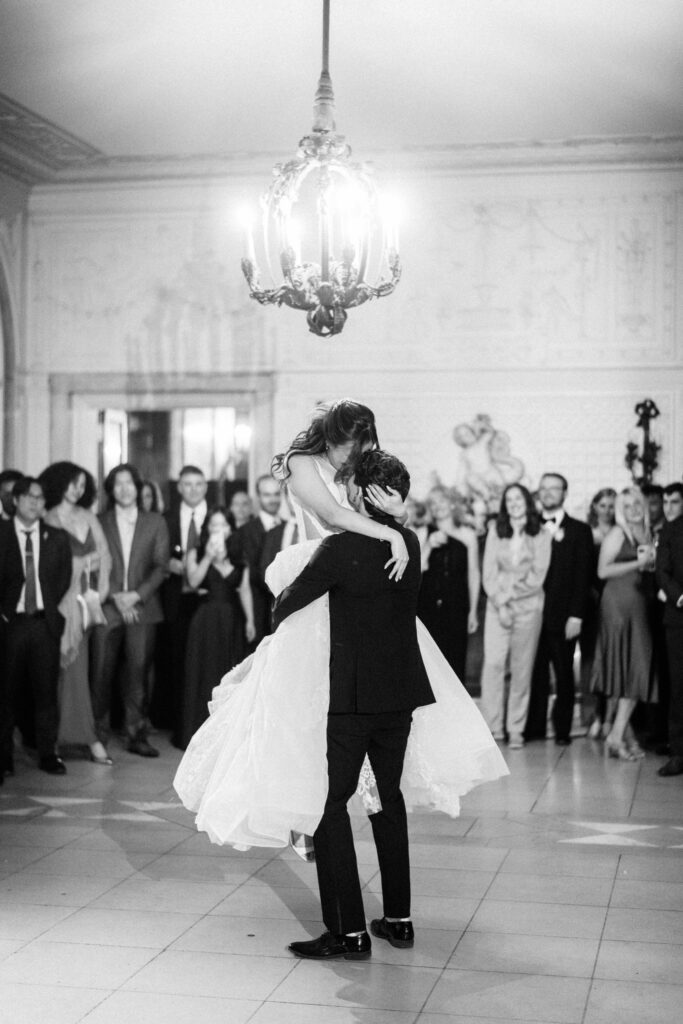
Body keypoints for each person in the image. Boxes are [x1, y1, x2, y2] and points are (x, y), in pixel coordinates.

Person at [174, 399, 508, 851]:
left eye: (363, 447)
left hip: (357, 583)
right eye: (350, 448)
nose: (356, 457)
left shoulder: (360, 462)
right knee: (302, 714)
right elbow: (333, 517)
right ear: (330, 439)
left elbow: (377, 509)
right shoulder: (300, 462)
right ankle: (303, 819)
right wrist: (391, 533)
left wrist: (399, 520)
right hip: (322, 577)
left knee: (362, 716)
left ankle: (358, 807)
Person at [273, 450, 435, 960]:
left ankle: (347, 932)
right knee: (386, 799)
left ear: (361, 493)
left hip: (350, 701)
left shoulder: (340, 549)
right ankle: (399, 921)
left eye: (347, 486)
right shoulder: (408, 542)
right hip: (399, 696)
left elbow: (284, 606)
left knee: (330, 804)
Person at [91, 463, 169, 758]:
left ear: (138, 487)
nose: (124, 489)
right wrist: (117, 597)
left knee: (139, 673)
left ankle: (136, 734)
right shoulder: (100, 521)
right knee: (101, 672)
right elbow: (94, 564)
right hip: (108, 607)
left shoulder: (155, 521)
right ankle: (97, 736)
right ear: (111, 490)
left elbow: (161, 566)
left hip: (143, 608)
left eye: (129, 483)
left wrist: (136, 596)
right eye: (118, 484)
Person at [39, 462, 112, 765]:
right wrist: (82, 563)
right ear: (59, 483)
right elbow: (50, 566)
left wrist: (98, 595)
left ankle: (87, 737)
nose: (77, 489)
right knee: (54, 674)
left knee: (79, 673)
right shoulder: (47, 518)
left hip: (87, 605)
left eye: (82, 484)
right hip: (59, 606)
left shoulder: (88, 516)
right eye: (72, 483)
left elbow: (105, 557)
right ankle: (52, 740)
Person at [0, 477, 72, 776]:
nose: (34, 501)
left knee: (46, 693)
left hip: (44, 624)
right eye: (29, 496)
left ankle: (47, 754)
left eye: (40, 497)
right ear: (15, 500)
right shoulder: (3, 533)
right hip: (11, 624)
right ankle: (4, 758)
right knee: (6, 694)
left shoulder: (56, 537)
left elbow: (63, 578)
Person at [176, 508, 255, 749]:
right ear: (207, 528)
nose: (218, 530)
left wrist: (250, 620)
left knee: (226, 672)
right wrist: (208, 557)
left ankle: (224, 735)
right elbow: (193, 581)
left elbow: (244, 590)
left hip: (231, 620)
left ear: (231, 529)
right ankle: (195, 732)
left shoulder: (238, 555)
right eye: (214, 525)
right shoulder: (196, 552)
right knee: (203, 671)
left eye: (223, 525)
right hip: (206, 620)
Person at [480, 484, 551, 748]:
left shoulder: (541, 534)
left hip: (528, 608)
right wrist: (500, 602)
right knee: (493, 666)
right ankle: (493, 727)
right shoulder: (495, 531)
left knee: (522, 669)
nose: (513, 503)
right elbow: (488, 572)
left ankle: (516, 728)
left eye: (518, 498)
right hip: (496, 608)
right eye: (508, 499)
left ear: (527, 502)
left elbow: (538, 575)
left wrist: (509, 596)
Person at [524, 473, 594, 745]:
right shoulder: (528, 526)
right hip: (531, 613)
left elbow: (583, 577)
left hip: (564, 615)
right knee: (534, 672)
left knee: (564, 674)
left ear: (565, 493)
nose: (548, 493)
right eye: (543, 488)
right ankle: (534, 728)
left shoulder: (580, 530)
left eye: (554, 488)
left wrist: (576, 615)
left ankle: (562, 730)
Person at [590, 487, 658, 760]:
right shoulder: (618, 533)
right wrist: (637, 563)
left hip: (639, 603)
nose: (633, 509)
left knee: (633, 668)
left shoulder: (646, 532)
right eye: (627, 505)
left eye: (637, 503)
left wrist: (648, 565)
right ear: (621, 510)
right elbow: (602, 571)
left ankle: (623, 735)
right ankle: (616, 737)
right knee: (631, 666)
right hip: (618, 604)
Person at [158, 465, 208, 743]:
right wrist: (167, 564)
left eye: (198, 484)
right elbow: (153, 555)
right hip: (175, 599)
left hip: (207, 599)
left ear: (205, 487)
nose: (193, 489)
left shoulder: (217, 516)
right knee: (177, 662)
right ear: (179, 488)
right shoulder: (165, 519)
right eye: (187, 484)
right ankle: (179, 723)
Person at [418, 485, 479, 680]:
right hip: (427, 606)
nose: (437, 506)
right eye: (433, 503)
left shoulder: (468, 535)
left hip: (456, 607)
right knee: (428, 664)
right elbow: (414, 571)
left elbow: (473, 574)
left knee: (455, 661)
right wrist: (428, 546)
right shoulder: (423, 532)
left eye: (442, 501)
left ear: (452, 504)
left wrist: (473, 611)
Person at [233, 474, 283, 647]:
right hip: (256, 612)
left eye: (276, 494)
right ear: (258, 497)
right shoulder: (245, 532)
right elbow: (246, 576)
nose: (273, 500)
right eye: (267, 495)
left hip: (283, 613)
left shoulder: (289, 528)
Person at [583, 488, 617, 737]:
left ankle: (610, 718)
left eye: (611, 506)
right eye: (602, 505)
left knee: (613, 659)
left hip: (616, 600)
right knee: (591, 660)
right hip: (592, 603)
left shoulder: (621, 532)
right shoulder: (587, 533)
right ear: (594, 506)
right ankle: (592, 716)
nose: (607, 510)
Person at [655, 507, 683, 776]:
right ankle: (679, 753)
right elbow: (662, 571)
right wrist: (680, 597)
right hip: (679, 617)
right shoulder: (671, 529)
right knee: (679, 688)